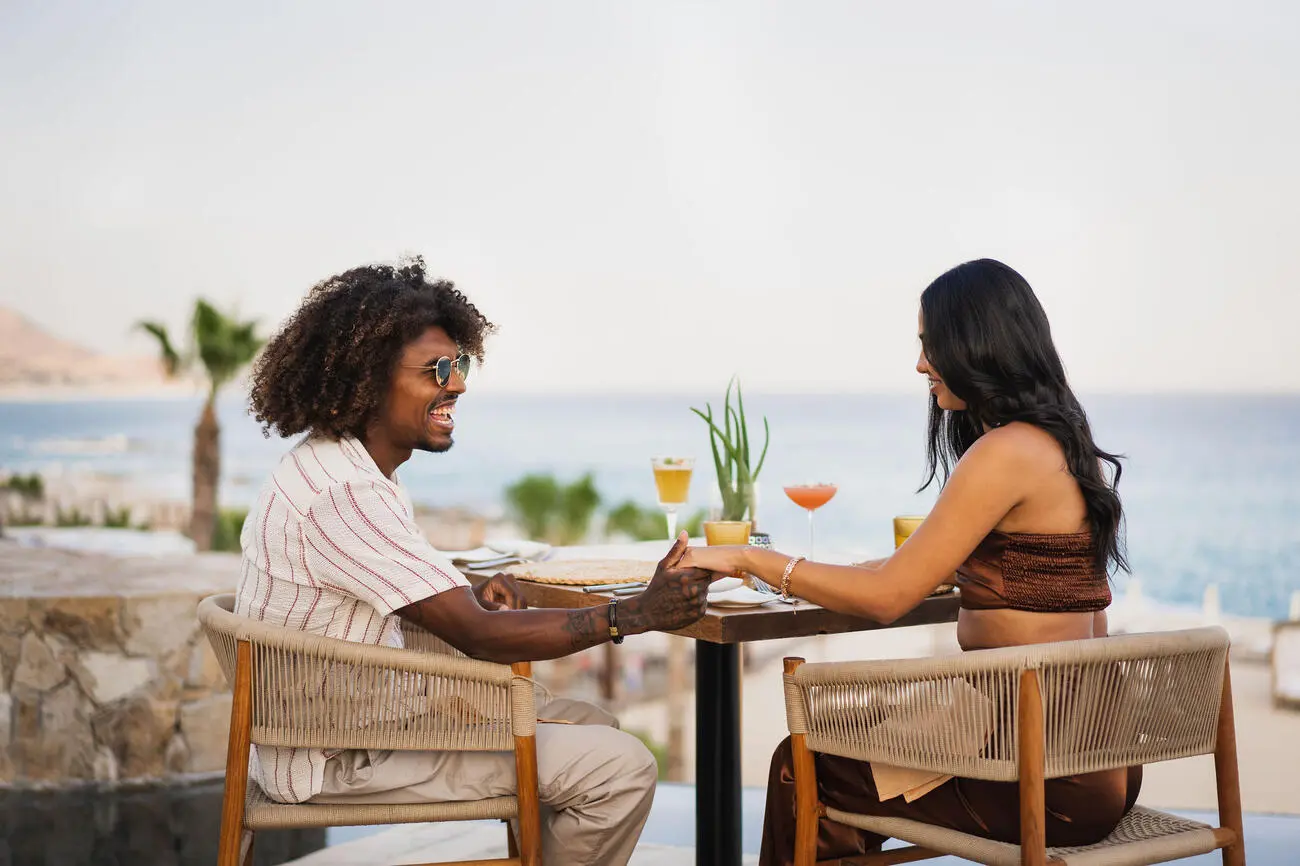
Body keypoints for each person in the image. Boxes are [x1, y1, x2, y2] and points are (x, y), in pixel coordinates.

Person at [237, 257, 715, 866]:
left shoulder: (345, 469)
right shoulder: (344, 494)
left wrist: (468, 595)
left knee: (592, 724)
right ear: (368, 380)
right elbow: (481, 637)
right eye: (438, 369)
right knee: (619, 769)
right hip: (336, 754)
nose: (458, 384)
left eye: (459, 364)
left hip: (361, 718)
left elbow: (402, 603)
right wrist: (634, 614)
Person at [684, 259, 1139, 865]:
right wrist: (768, 565)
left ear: (975, 345)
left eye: (931, 345)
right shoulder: (1058, 443)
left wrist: (750, 557)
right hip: (1091, 763)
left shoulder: (1004, 451)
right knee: (846, 747)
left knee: (805, 766)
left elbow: (888, 597)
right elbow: (921, 568)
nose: (921, 364)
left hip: (1042, 779)